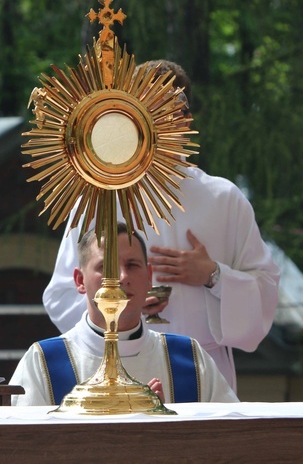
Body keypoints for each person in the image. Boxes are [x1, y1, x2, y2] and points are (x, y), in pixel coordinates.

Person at [42, 60, 280, 392]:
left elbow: (266, 292)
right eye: (152, 107)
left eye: (175, 109)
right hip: (117, 370)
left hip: (201, 373)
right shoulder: (99, 196)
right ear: (133, 116)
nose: (165, 119)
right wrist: (123, 310)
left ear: (187, 120)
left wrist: (213, 276)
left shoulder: (223, 198)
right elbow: (63, 294)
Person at [11, 224, 239, 406]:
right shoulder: (43, 362)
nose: (121, 277)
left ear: (149, 276)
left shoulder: (189, 359)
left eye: (132, 265)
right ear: (80, 281)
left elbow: (230, 441)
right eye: (106, 267)